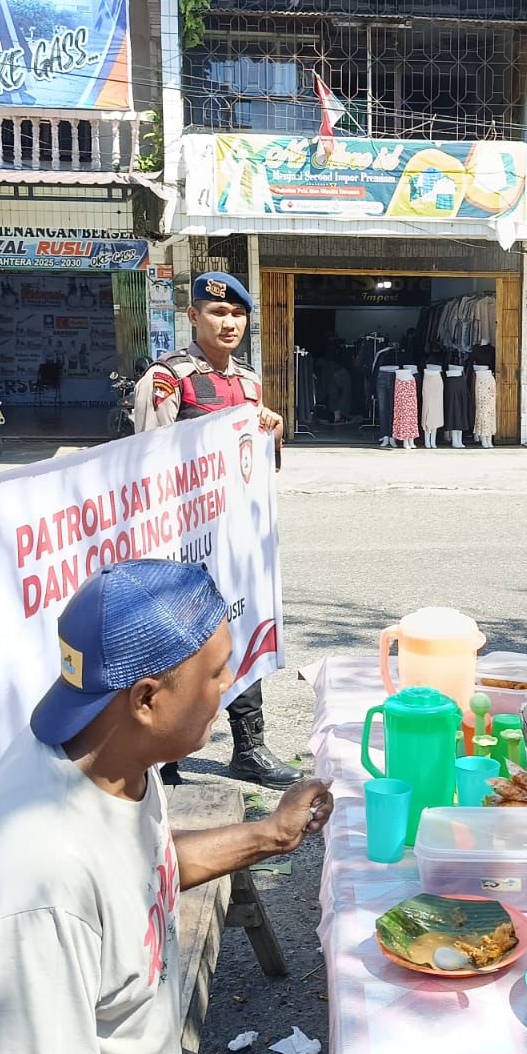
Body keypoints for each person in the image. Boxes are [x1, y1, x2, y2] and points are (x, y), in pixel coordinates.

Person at [0, 560, 334, 1054]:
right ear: (146, 699)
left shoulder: (108, 755)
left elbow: (142, 873)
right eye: (214, 671)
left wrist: (272, 834)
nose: (229, 681)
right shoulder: (36, 892)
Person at [133, 272, 295, 788]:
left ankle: (249, 746)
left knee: (240, 630)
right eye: (217, 313)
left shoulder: (248, 382)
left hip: (235, 539)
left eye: (237, 315)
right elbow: (146, 463)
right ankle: (165, 759)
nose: (229, 323)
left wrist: (272, 429)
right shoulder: (168, 380)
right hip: (182, 540)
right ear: (193, 317)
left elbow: (259, 464)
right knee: (179, 645)